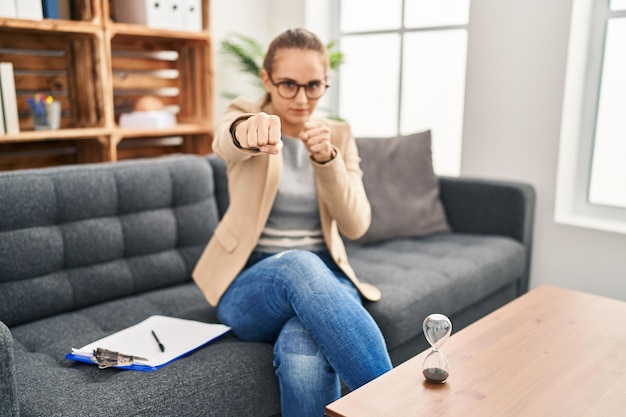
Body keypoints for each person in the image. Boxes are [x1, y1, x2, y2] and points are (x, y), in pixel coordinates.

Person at [192, 28, 392, 417]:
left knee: (304, 352)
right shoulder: (247, 117)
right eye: (288, 85)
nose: (302, 99)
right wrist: (247, 132)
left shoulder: (339, 135)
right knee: (299, 263)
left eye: (314, 85)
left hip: (326, 282)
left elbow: (356, 225)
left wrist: (327, 162)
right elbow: (226, 141)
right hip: (249, 284)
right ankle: (395, 407)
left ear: (326, 83)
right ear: (267, 79)